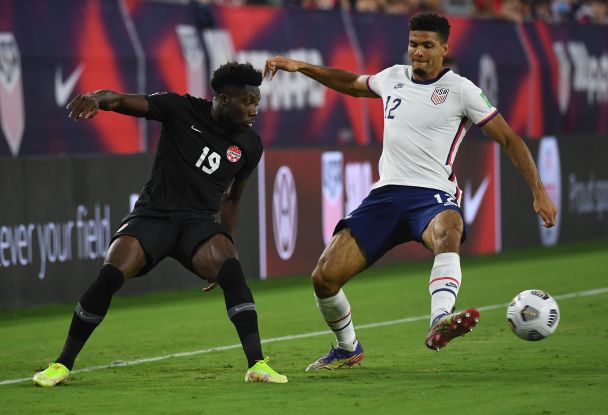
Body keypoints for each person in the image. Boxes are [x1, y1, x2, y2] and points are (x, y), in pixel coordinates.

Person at [263, 13, 557, 371]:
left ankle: (440, 319)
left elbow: (510, 139)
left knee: (450, 228)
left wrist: (538, 191)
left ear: (444, 48)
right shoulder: (392, 77)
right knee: (323, 279)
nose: (418, 52)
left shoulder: (461, 90)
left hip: (430, 196)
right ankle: (347, 348)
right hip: (384, 197)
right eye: (413, 44)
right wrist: (300, 66)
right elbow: (350, 83)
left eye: (427, 45)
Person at [33, 62, 287, 386]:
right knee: (111, 274)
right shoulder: (180, 109)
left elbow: (233, 199)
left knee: (231, 271)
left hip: (198, 224)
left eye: (257, 103)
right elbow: (123, 100)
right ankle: (62, 364)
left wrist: (227, 242)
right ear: (224, 99)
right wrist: (98, 98)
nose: (254, 110)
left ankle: (257, 364)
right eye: (248, 102)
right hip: (154, 215)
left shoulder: (250, 146)